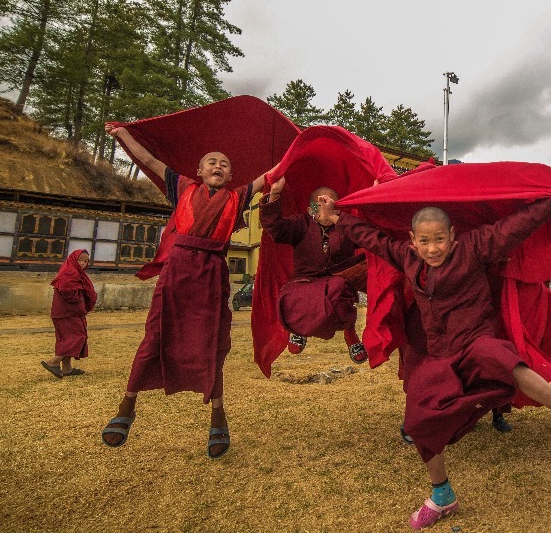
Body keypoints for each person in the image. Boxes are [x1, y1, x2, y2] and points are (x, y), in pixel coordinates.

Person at [322, 188, 551, 530]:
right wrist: (336, 218)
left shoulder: (475, 247)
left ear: (452, 237)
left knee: (505, 359)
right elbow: (372, 238)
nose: (432, 248)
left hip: (477, 342)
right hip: (439, 356)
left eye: (439, 239)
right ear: (412, 241)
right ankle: (442, 495)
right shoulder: (406, 257)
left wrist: (550, 203)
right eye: (424, 241)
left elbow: (512, 227)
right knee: (419, 418)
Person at [100, 123, 271, 459]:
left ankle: (217, 416)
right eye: (212, 162)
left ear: (231, 175)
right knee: (155, 337)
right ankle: (127, 405)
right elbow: (147, 158)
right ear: (199, 170)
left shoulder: (238, 196)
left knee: (212, 345)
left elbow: (273, 174)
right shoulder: (181, 186)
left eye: (224, 164)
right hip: (177, 272)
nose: (218, 166)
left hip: (211, 274)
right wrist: (122, 134)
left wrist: (303, 146)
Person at [259, 179, 367, 364]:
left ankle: (350, 334)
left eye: (330, 204)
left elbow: (368, 237)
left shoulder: (345, 226)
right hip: (305, 280)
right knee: (289, 297)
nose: (325, 209)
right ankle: (298, 330)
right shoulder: (300, 223)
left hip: (336, 279)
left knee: (340, 288)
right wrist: (275, 193)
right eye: (320, 204)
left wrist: (370, 205)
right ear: (311, 209)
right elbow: (276, 228)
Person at [41, 249, 97, 378]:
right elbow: (68, 291)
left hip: (71, 312)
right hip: (67, 312)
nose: (83, 263)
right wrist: (79, 299)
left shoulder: (77, 273)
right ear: (73, 259)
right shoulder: (68, 273)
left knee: (67, 339)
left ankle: (67, 369)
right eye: (80, 260)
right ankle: (53, 362)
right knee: (77, 337)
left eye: (86, 261)